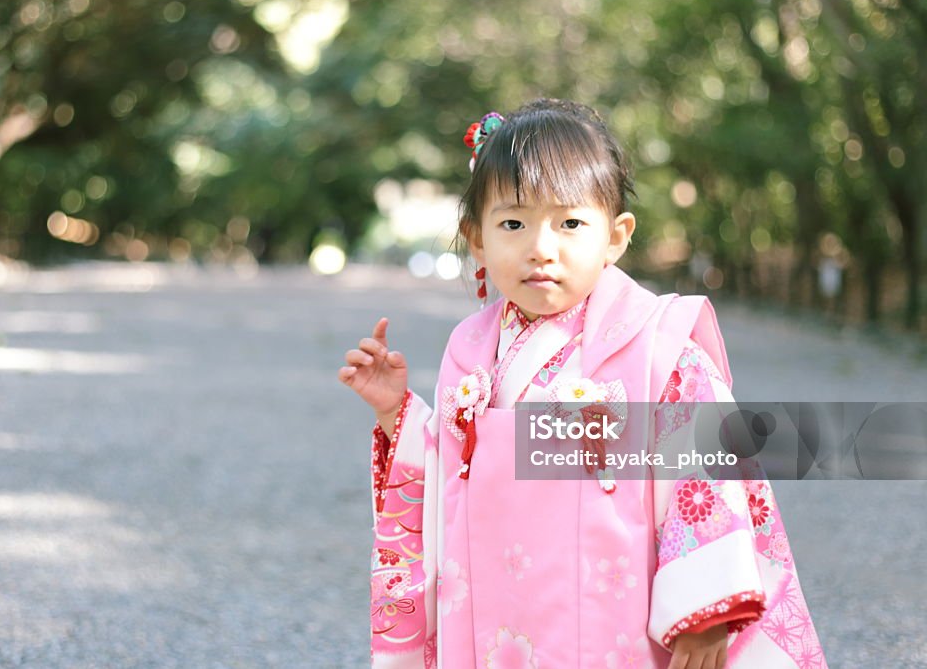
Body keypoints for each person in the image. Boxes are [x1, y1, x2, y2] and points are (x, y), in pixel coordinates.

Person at [339, 99, 826, 668]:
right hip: (498, 611)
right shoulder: (469, 349)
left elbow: (707, 474)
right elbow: (452, 469)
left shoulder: (656, 345)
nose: (541, 247)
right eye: (513, 223)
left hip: (613, 612)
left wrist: (705, 609)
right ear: (477, 239)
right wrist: (398, 414)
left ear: (615, 236)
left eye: (570, 223)